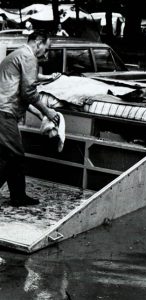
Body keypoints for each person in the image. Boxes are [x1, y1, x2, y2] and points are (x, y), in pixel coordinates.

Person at [0, 31, 60, 207]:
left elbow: (23, 90)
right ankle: (18, 197)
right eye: (46, 49)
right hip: (4, 113)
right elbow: (29, 92)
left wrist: (40, 114)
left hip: (3, 111)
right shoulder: (29, 56)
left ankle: (18, 196)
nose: (45, 54)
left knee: (7, 156)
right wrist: (48, 112)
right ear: (38, 43)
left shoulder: (18, 54)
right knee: (15, 155)